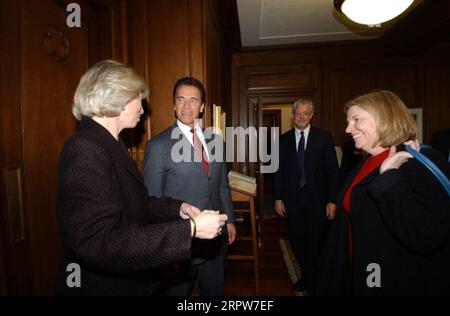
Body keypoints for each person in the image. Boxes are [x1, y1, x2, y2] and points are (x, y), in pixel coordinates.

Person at [56, 60, 227, 296]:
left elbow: (137, 204)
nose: (142, 108)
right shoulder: (85, 149)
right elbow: (98, 243)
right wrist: (190, 230)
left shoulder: (110, 144)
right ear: (120, 99)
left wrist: (178, 208)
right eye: (138, 97)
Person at [316, 90, 450, 296]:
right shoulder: (366, 162)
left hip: (391, 277)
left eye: (356, 119)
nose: (348, 128)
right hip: (363, 268)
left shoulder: (419, 159)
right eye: (348, 121)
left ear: (383, 117)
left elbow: (426, 233)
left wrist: (389, 177)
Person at [143, 77, 236, 296]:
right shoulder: (158, 146)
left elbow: (222, 186)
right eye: (181, 100)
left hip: (215, 240)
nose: (186, 106)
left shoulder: (216, 141)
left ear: (202, 107)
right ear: (174, 105)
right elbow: (152, 203)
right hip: (179, 246)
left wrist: (230, 220)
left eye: (193, 100)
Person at [273, 98, 340, 294]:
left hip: (318, 201)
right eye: (298, 113)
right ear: (293, 116)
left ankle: (314, 279)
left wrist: (332, 200)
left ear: (311, 115)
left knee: (316, 241)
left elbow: (332, 171)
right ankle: (307, 275)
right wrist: (277, 198)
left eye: (305, 113)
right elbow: (278, 172)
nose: (301, 117)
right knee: (296, 240)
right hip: (293, 201)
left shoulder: (324, 137)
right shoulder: (283, 140)